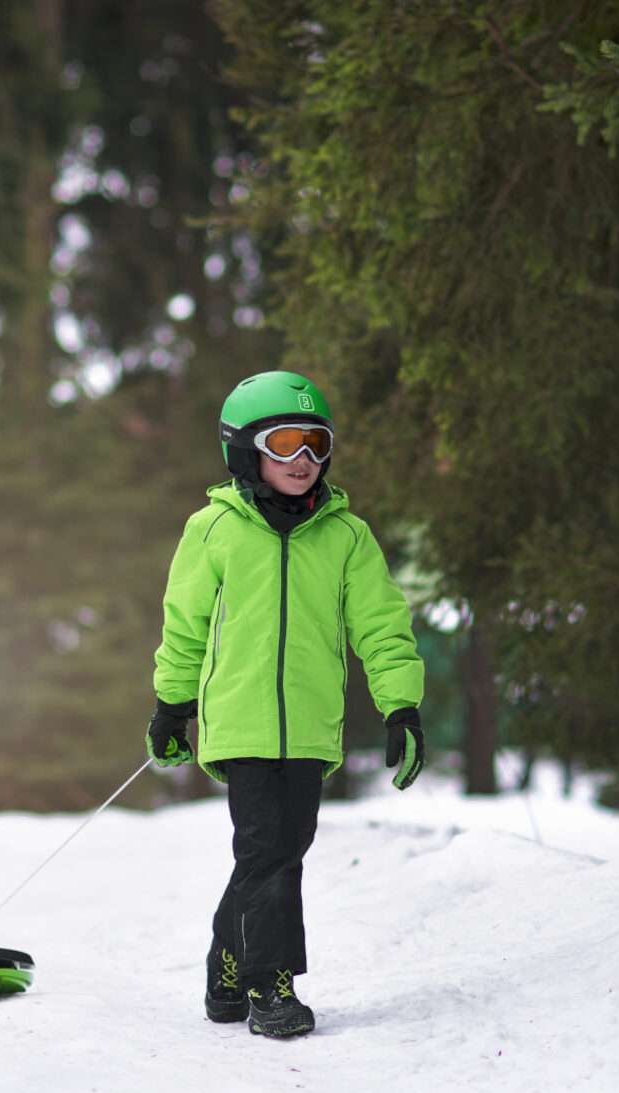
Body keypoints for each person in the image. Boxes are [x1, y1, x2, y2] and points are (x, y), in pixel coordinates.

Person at [145, 370, 426, 1039]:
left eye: (316, 443)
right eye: (284, 443)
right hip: (239, 724)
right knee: (267, 852)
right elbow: (184, 626)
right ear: (245, 450)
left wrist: (401, 707)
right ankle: (270, 985)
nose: (303, 459)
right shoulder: (213, 530)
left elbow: (382, 627)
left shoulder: (347, 537)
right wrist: (171, 706)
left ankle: (226, 966)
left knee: (278, 852)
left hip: (309, 726)